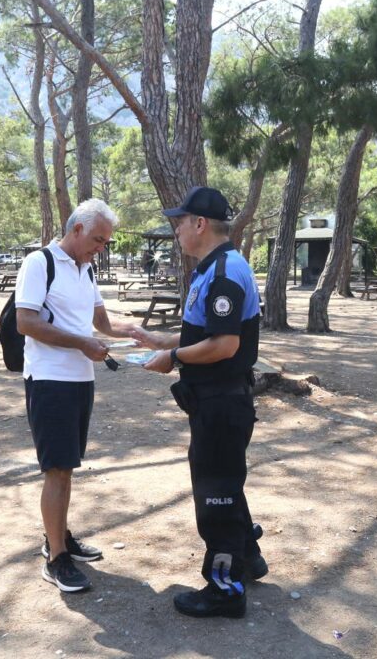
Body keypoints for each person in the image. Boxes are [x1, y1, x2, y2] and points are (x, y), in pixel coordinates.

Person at [130, 186, 266, 619]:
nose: (177, 231)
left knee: (216, 495)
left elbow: (225, 345)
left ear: (200, 224)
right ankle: (249, 556)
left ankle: (225, 590)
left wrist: (173, 358)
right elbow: (205, 334)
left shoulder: (224, 272)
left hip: (221, 403)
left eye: (181, 222)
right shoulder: (215, 268)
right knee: (225, 482)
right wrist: (161, 341)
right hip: (216, 401)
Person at [15, 198, 136, 593]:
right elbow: (26, 322)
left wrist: (138, 333)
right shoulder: (40, 263)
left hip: (81, 380)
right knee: (57, 469)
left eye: (106, 242)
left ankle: (60, 537)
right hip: (50, 380)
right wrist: (82, 344)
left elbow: (101, 321)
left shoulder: (86, 269)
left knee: (67, 465)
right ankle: (55, 559)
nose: (102, 248)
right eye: (99, 240)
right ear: (77, 229)